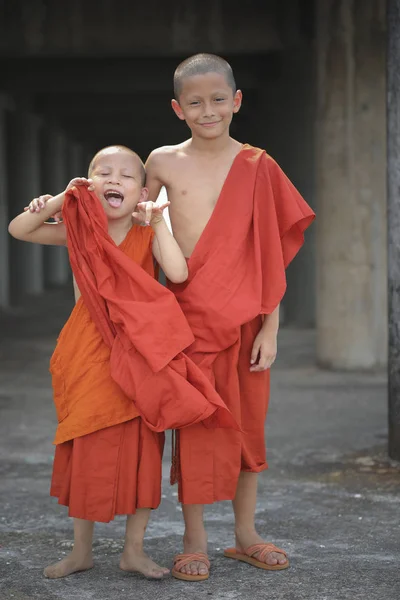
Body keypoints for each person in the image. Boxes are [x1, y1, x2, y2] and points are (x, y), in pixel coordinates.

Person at [145, 54, 315, 581]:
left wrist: (272, 325)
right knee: (196, 426)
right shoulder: (162, 162)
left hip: (246, 320)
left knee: (247, 428)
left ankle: (246, 536)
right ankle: (194, 539)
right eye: (195, 102)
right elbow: (134, 228)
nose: (208, 110)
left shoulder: (258, 166)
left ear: (236, 101)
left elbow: (270, 255)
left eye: (218, 99)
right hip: (187, 317)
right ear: (178, 108)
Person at [8, 145, 190, 580]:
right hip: (87, 353)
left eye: (125, 175)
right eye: (101, 172)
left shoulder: (148, 231)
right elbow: (19, 230)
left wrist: (159, 219)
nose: (113, 179)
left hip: (140, 353)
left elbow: (178, 273)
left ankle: (133, 550)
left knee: (144, 450)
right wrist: (54, 201)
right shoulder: (78, 229)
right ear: (87, 185)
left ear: (141, 190)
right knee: (86, 446)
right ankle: (81, 551)